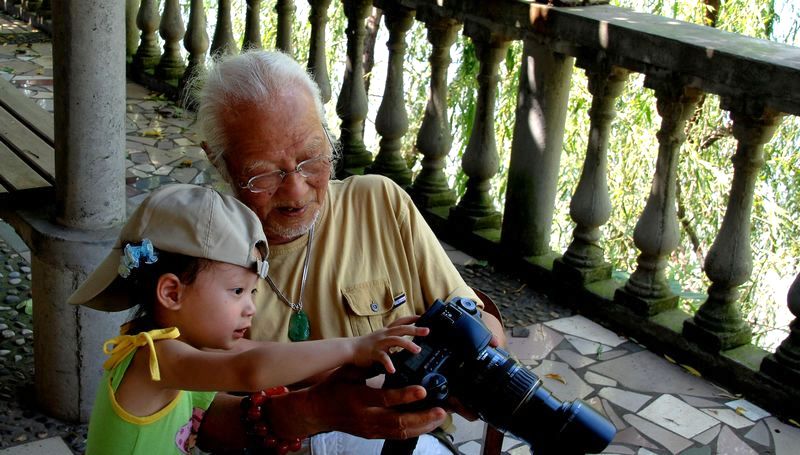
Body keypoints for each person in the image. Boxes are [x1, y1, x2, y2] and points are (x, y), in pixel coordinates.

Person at [195, 50, 507, 453]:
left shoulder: (379, 203)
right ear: (218, 162)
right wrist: (314, 412)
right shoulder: (198, 255)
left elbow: (474, 317)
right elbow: (197, 424)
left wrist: (476, 361)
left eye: (311, 158)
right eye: (263, 172)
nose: (296, 189)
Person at [68, 184, 429, 455]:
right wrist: (354, 346)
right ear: (172, 293)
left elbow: (257, 350)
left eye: (253, 293)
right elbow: (249, 368)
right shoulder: (155, 358)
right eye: (237, 292)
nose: (251, 308)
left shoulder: (182, 347)